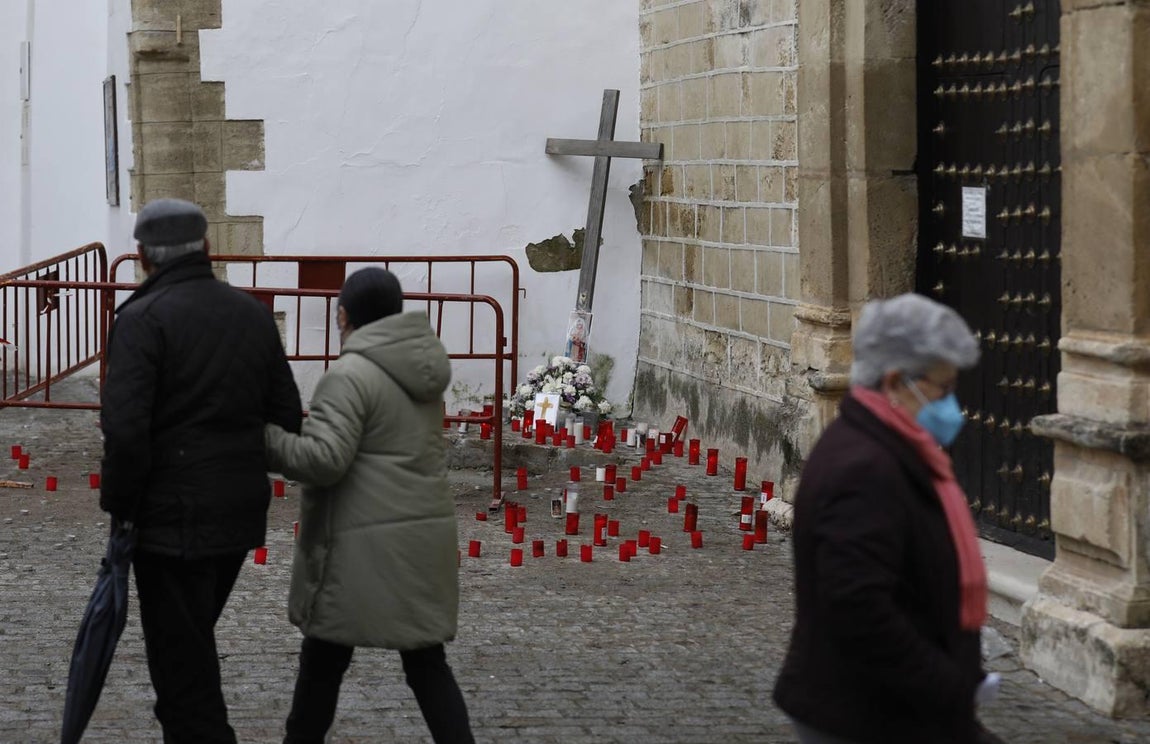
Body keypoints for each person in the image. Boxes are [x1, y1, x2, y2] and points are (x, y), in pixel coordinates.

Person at [99, 198, 302, 743]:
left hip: (167, 520)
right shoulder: (250, 314)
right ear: (207, 248)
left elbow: (125, 431)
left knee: (182, 674)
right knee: (188, 649)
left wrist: (121, 511)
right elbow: (286, 414)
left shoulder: (142, 319)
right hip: (237, 511)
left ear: (143, 256)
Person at [773, 293, 1003, 744]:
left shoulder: (887, 446)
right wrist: (950, 687)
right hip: (864, 714)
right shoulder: (864, 467)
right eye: (942, 389)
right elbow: (858, 610)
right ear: (897, 382)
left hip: (898, 706)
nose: (952, 405)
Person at [264, 267, 474, 744]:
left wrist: (267, 440)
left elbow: (324, 460)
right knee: (426, 665)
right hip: (419, 539)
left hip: (356, 549)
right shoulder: (420, 370)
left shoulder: (348, 375)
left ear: (343, 316)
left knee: (321, 666)